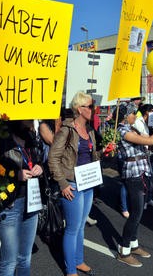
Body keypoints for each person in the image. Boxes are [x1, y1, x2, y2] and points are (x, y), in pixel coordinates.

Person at [48, 91, 100, 276]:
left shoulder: (90, 131)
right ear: (80, 109)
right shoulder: (66, 130)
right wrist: (62, 184)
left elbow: (90, 156)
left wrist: (105, 152)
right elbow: (53, 158)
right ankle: (70, 270)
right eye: (90, 106)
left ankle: (79, 261)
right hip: (73, 184)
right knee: (72, 228)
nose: (94, 109)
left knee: (79, 227)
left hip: (88, 183)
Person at [114, 103, 153, 268]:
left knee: (137, 211)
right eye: (133, 113)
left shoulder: (133, 129)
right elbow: (152, 140)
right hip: (133, 174)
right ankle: (124, 251)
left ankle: (134, 243)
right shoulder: (123, 131)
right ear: (126, 116)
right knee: (136, 213)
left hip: (142, 172)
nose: (136, 116)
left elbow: (149, 143)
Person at [0, 119, 44, 276]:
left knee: (25, 257)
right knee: (8, 262)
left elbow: (41, 160)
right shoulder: (1, 139)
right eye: (28, 119)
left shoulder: (31, 138)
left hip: (32, 201)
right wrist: (15, 174)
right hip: (10, 205)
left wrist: (41, 167)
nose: (32, 122)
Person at [132, 104, 153, 209]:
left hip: (152, 152)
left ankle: (149, 199)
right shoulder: (138, 122)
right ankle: (143, 201)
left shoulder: (150, 123)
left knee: (151, 177)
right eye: (152, 111)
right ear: (146, 112)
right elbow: (145, 137)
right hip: (143, 153)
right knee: (145, 179)